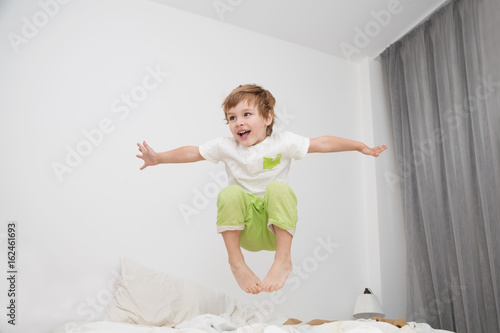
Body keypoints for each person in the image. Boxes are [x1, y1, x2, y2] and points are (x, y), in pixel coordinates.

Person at [136, 84, 387, 295]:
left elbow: (321, 143)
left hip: (274, 226)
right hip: (244, 227)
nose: (238, 123)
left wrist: (359, 146)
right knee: (229, 193)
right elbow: (193, 151)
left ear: (267, 118)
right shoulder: (226, 146)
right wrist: (158, 158)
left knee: (279, 189)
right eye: (232, 118)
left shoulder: (283, 142)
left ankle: (282, 259)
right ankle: (236, 262)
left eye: (246, 114)